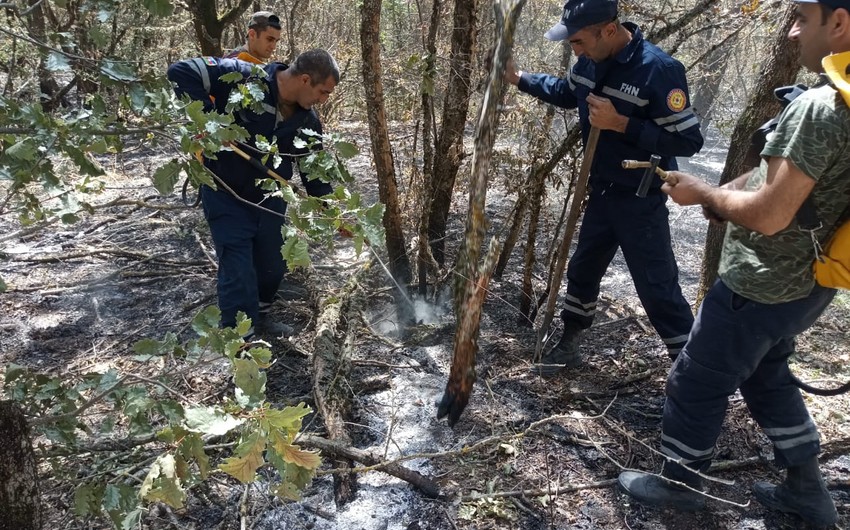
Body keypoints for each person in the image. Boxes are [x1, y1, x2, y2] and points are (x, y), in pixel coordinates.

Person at [617, 1, 850, 526]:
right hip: (811, 283)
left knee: (696, 378)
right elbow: (791, 189)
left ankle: (679, 481)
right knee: (767, 374)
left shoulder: (821, 106)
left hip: (762, 283)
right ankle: (807, 489)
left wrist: (705, 196)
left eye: (803, 19)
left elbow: (769, 214)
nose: (792, 33)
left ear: (839, 23)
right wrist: (715, 190)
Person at [505, 0, 703, 375]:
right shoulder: (589, 60)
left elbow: (689, 141)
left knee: (657, 289)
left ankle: (692, 374)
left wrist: (622, 124)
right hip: (601, 193)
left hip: (640, 199)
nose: (573, 50)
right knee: (583, 270)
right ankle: (570, 342)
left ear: (608, 30)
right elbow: (568, 92)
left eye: (578, 41)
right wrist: (521, 80)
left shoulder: (659, 70)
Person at [167, 49, 339, 337]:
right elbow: (181, 71)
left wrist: (331, 209)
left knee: (273, 263)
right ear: (305, 79)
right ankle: (240, 340)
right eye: (323, 92)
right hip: (225, 191)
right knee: (238, 267)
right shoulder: (244, 77)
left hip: (271, 199)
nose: (323, 100)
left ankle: (260, 318)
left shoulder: (308, 120)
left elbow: (314, 171)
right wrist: (211, 123)